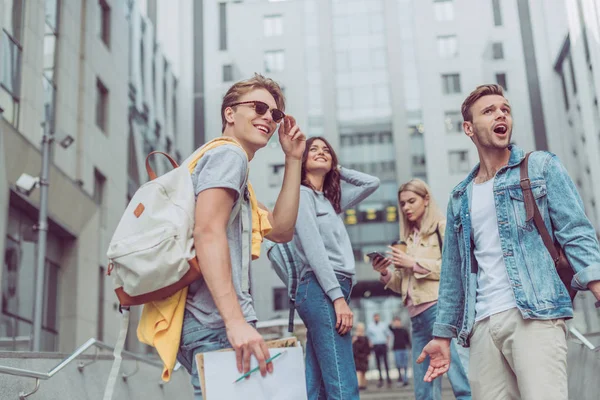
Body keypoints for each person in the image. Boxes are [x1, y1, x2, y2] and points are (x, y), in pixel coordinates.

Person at [417, 84, 600, 400]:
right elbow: (452, 274)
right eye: (489, 111)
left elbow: (575, 231)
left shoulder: (540, 166)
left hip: (536, 315)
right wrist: (442, 336)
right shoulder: (461, 196)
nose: (501, 114)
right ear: (468, 128)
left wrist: (598, 285)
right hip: (483, 327)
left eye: (505, 109)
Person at [176, 74, 306, 399]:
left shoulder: (231, 171)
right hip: (215, 323)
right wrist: (235, 322)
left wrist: (293, 159)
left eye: (275, 114)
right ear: (229, 114)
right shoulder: (228, 156)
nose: (269, 118)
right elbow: (207, 231)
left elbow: (281, 228)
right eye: (259, 107)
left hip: (208, 323)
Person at [293, 136, 380, 400]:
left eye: (326, 150)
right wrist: (338, 298)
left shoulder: (330, 201)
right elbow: (314, 249)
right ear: (302, 159)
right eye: (314, 150)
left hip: (329, 289)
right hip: (321, 288)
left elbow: (371, 183)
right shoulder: (302, 195)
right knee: (343, 380)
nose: (321, 152)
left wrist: (337, 169)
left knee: (319, 382)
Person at [371, 178, 471, 400]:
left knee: (459, 379)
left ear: (426, 200)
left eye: (411, 201)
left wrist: (413, 263)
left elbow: (455, 268)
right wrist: (385, 273)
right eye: (402, 203)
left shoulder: (441, 228)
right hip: (415, 318)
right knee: (423, 388)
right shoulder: (408, 238)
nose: (406, 207)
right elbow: (403, 284)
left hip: (440, 312)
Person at [366, 313, 393, 388]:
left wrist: (387, 343)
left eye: (377, 317)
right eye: (375, 317)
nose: (376, 318)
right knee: (378, 363)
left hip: (383, 344)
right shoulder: (370, 326)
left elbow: (388, 334)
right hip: (376, 345)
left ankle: (388, 378)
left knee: (385, 362)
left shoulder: (383, 325)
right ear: (373, 318)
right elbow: (368, 336)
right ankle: (380, 379)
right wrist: (370, 343)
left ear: (379, 317)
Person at [389, 316, 411, 387]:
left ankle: (405, 380)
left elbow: (408, 339)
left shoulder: (404, 330)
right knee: (398, 365)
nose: (397, 323)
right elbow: (389, 327)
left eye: (398, 321)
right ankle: (400, 378)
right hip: (396, 349)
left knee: (405, 365)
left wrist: (409, 347)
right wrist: (392, 322)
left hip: (404, 349)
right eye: (395, 322)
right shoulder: (394, 330)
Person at [352, 322, 371, 391]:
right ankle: (359, 385)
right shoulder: (354, 337)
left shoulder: (366, 337)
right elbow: (352, 347)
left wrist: (369, 354)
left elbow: (368, 347)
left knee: (364, 371)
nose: (360, 329)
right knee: (358, 371)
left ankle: (363, 384)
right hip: (357, 356)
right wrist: (353, 341)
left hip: (364, 356)